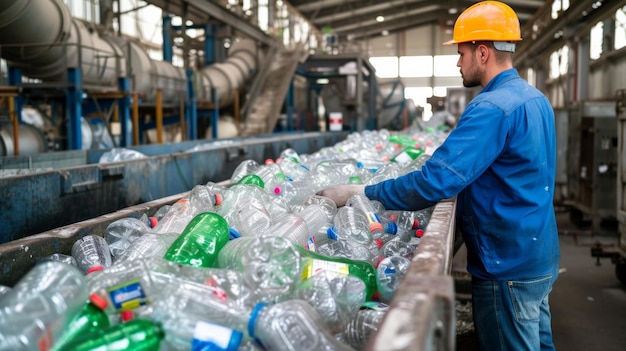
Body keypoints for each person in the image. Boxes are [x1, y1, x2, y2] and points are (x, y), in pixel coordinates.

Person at [318, 1, 560, 350]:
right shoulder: (534, 99)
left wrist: (362, 190)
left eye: (461, 53)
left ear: (482, 52)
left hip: (505, 265)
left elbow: (435, 181)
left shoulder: (491, 108)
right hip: (537, 253)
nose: (457, 62)